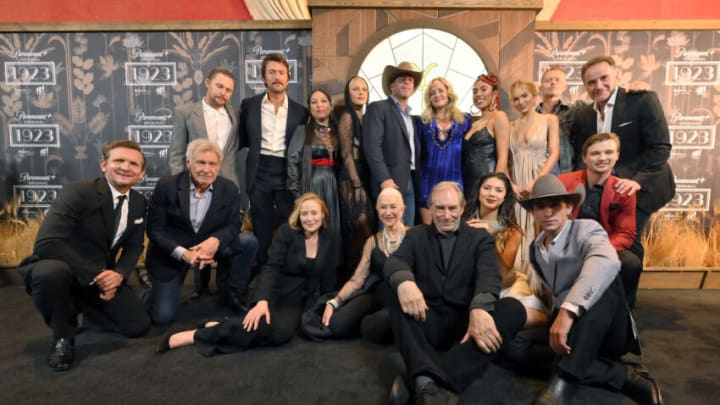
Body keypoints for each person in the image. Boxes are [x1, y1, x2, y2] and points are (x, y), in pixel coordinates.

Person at [518, 175, 662, 405]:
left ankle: (563, 381)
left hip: (607, 329)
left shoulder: (587, 229)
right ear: (533, 212)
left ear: (569, 208)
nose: (548, 212)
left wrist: (567, 312)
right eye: (541, 206)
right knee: (510, 347)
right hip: (572, 333)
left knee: (604, 277)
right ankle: (623, 376)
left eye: (555, 205)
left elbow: (607, 262)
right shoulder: (536, 249)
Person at [384, 181, 527, 405]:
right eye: (440, 208)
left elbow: (489, 276)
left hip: (466, 327)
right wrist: (404, 282)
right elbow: (395, 261)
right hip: (426, 320)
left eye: (452, 208)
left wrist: (480, 307)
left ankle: (426, 380)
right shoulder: (416, 235)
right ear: (430, 209)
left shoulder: (480, 238)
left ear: (462, 209)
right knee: (393, 290)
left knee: (514, 309)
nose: (446, 215)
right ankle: (427, 379)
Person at [16, 140, 151, 371]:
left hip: (100, 274)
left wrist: (118, 275)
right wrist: (98, 275)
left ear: (141, 173)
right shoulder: (79, 192)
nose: (125, 167)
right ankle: (63, 337)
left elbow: (134, 247)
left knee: (137, 326)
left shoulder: (139, 202)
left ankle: (79, 305)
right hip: (63, 269)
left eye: (133, 164)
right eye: (119, 160)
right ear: (103, 164)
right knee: (51, 273)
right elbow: (48, 243)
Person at [156, 193, 339, 356]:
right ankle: (194, 335)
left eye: (314, 213)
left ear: (323, 214)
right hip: (279, 292)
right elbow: (271, 268)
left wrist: (327, 304)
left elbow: (329, 276)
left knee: (302, 331)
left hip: (307, 299)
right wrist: (262, 301)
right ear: (298, 216)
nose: (310, 218)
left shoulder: (330, 238)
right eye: (304, 213)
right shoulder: (287, 233)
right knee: (278, 332)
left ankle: (219, 325)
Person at [570, 56, 674, 261]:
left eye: (604, 78)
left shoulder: (642, 100)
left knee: (628, 242)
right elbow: (583, 157)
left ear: (617, 75)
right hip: (605, 192)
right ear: (584, 85)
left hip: (643, 187)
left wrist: (636, 182)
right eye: (591, 82)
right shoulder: (583, 116)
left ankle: (627, 293)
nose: (598, 86)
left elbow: (660, 147)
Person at [146, 139, 259, 324]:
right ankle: (153, 294)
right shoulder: (167, 185)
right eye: (201, 162)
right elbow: (155, 230)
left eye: (212, 163)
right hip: (174, 252)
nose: (207, 169)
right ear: (188, 162)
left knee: (248, 243)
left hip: (209, 246)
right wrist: (183, 254)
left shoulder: (229, 189)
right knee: (163, 318)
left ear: (219, 166)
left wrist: (215, 241)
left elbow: (233, 224)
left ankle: (232, 291)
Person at [168, 67, 242, 298]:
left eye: (229, 90)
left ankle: (224, 290)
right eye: (219, 86)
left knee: (224, 235)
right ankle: (199, 289)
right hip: (195, 181)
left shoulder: (236, 113)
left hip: (228, 182)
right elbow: (176, 151)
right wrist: (180, 186)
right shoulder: (186, 112)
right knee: (198, 232)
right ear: (208, 83)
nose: (223, 93)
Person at [239, 52, 309, 267]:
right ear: (264, 78)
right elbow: (243, 138)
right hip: (259, 172)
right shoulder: (249, 105)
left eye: (281, 73)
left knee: (290, 227)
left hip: (287, 173)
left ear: (288, 78)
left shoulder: (301, 112)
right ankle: (261, 279)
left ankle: (285, 275)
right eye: (272, 72)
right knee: (261, 229)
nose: (277, 77)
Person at [558, 132, 642, 308]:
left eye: (609, 152)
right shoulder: (563, 182)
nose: (602, 158)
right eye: (595, 153)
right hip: (569, 245)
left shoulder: (624, 189)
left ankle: (625, 314)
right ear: (585, 158)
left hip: (606, 245)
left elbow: (626, 233)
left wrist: (599, 251)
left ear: (617, 155)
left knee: (631, 264)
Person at [320, 187, 407, 341]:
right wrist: (335, 302)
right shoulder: (372, 241)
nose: (388, 212)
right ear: (377, 209)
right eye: (383, 207)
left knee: (371, 328)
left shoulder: (414, 235)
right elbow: (357, 279)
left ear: (402, 209)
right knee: (337, 324)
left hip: (402, 296)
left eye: (393, 207)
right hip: (377, 294)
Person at [463, 173, 548, 328]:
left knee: (536, 314)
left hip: (503, 286)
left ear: (505, 197)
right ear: (478, 192)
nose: (491, 194)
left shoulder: (513, 231)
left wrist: (488, 239)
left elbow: (502, 273)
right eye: (487, 188)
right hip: (467, 285)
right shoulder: (462, 223)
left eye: (498, 190)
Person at [508, 80, 560, 272]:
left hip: (539, 181)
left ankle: (538, 281)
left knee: (538, 227)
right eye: (516, 98)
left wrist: (536, 182)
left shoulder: (549, 120)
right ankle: (519, 277)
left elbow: (554, 153)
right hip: (517, 185)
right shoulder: (510, 125)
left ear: (534, 96)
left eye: (524, 96)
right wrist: (512, 185)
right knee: (519, 229)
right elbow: (504, 160)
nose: (521, 101)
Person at [363, 61, 423, 226]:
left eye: (410, 80)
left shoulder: (411, 117)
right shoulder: (378, 108)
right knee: (388, 235)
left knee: (408, 234)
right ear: (392, 86)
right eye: (401, 79)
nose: (407, 82)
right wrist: (384, 179)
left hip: (410, 180)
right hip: (390, 183)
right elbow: (372, 147)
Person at [287, 89, 341, 244]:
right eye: (314, 102)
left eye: (323, 101)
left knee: (333, 228)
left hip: (335, 186)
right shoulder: (302, 131)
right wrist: (298, 195)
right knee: (313, 229)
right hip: (312, 184)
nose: (319, 105)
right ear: (309, 108)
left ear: (330, 106)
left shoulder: (338, 132)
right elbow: (292, 161)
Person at [418, 77, 472, 224]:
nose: (437, 95)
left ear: (448, 93)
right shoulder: (423, 122)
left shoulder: (464, 120)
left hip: (455, 181)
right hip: (428, 182)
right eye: (432, 93)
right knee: (428, 234)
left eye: (440, 90)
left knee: (452, 232)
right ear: (429, 99)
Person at [338, 75, 375, 282]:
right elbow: (346, 154)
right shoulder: (347, 117)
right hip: (351, 178)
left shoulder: (367, 117)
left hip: (365, 174)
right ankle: (352, 280)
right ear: (348, 93)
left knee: (364, 229)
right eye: (355, 89)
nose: (360, 92)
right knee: (359, 228)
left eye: (364, 89)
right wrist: (357, 183)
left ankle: (363, 279)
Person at [462, 73, 510, 200]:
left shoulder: (499, 117)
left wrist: (494, 188)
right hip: (468, 185)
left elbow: (503, 158)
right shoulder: (474, 123)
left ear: (494, 94)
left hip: (486, 185)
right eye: (475, 91)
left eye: (483, 89)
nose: (478, 94)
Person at [536, 65, 578, 174]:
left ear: (565, 87)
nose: (553, 83)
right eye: (548, 80)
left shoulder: (573, 111)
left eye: (557, 80)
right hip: (535, 172)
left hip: (565, 172)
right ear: (540, 87)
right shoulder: (532, 116)